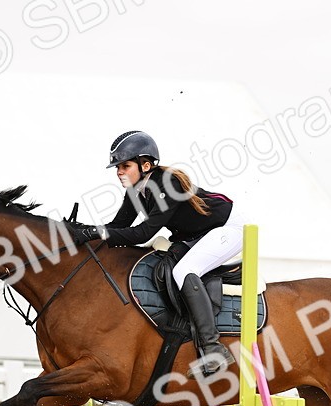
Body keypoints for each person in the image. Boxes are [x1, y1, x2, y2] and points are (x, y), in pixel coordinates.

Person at [70, 131, 245, 377]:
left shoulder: (166, 184)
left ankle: (213, 349)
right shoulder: (136, 189)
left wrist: (96, 233)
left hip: (228, 229)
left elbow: (143, 233)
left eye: (125, 166)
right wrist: (83, 231)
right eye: (117, 167)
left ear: (146, 165)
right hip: (198, 234)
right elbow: (119, 226)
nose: (119, 172)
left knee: (184, 271)